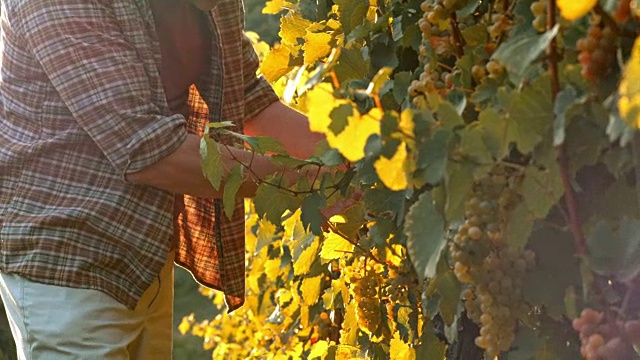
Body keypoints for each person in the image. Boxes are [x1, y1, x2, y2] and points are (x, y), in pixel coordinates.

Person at [0, 0, 325, 358]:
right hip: (65, 261)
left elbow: (247, 95)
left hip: (143, 252)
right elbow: (148, 151)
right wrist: (309, 182)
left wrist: (356, 162)